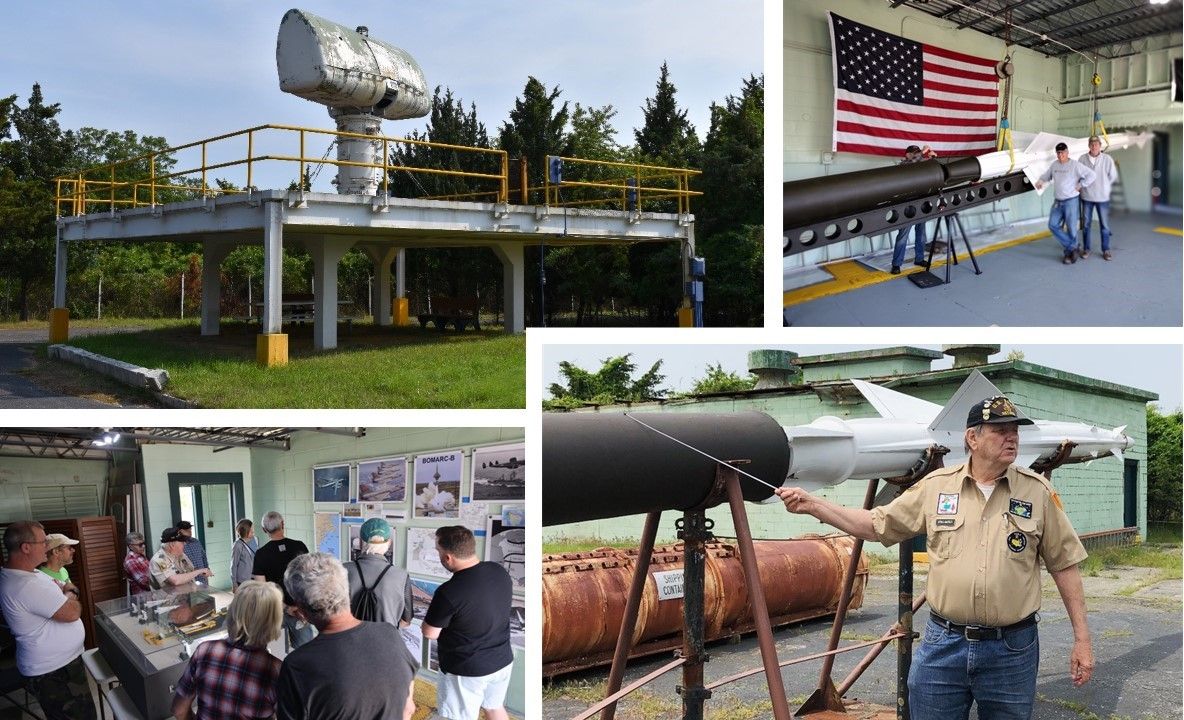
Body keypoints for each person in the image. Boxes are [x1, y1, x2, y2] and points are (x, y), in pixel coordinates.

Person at [775, 394, 1093, 720]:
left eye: (1014, 430)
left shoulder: (1036, 492)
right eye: (1000, 430)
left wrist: (1082, 640)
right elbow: (876, 525)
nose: (1011, 437)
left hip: (1010, 649)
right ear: (972, 438)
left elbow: (1064, 564)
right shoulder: (937, 487)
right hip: (944, 643)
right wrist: (814, 505)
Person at [276, 553, 418, 720]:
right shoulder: (390, 634)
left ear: (302, 611)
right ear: (345, 591)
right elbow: (408, 708)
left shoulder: (297, 665)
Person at [0, 521, 96, 720]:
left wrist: (67, 594)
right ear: (26, 547)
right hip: (54, 672)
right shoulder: (24, 584)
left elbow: (66, 588)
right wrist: (69, 597)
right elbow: (72, 611)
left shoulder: (32, 573)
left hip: (61, 664)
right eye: (43, 542)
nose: (47, 546)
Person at [421, 526, 514, 720]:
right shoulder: (499, 571)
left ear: (448, 557)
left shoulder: (449, 591)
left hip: (466, 669)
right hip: (502, 660)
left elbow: (430, 633)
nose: (439, 555)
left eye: (438, 551)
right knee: (494, 707)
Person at [171, 580, 284, 720]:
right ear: (274, 621)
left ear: (232, 612)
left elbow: (179, 711)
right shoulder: (277, 671)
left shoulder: (204, 651)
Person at [251, 511, 314, 649]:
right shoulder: (300, 546)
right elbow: (310, 579)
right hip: (300, 611)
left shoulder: (261, 554)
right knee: (305, 652)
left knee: (276, 653)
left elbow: (262, 590)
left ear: (264, 529)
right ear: (283, 524)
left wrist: (286, 608)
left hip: (275, 611)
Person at [343, 517, 413, 627]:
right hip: (386, 640)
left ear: (361, 542)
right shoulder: (402, 576)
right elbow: (406, 620)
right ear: (389, 543)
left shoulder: (342, 570)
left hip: (349, 639)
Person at [1035, 142, 1096, 264]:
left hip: (1071, 202)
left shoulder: (1075, 165)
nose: (1060, 155)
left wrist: (1081, 185)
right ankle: (1073, 246)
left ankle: (1070, 254)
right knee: (1053, 225)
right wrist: (1041, 181)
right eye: (1058, 153)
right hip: (1058, 202)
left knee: (1071, 229)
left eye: (1062, 152)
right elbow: (1047, 176)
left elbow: (1092, 175)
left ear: (1067, 152)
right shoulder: (1055, 165)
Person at [889, 144, 936, 274]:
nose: (917, 155)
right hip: (907, 206)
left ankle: (919, 259)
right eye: (914, 153)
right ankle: (896, 264)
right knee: (903, 236)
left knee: (921, 235)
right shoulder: (903, 165)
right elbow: (912, 162)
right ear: (907, 155)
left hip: (922, 203)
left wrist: (932, 159)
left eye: (918, 153)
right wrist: (923, 152)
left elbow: (933, 172)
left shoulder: (920, 163)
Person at [1078, 136, 1119, 260]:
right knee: (1086, 225)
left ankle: (1106, 250)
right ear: (1089, 145)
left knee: (1104, 225)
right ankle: (1086, 249)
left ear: (1100, 146)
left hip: (1102, 198)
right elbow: (1078, 175)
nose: (1094, 146)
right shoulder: (1082, 159)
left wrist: (1104, 186)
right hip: (1087, 197)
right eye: (1092, 144)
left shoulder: (1107, 159)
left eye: (1096, 144)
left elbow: (1113, 176)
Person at [38, 534, 81, 600]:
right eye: (69, 548)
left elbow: (74, 594)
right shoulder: (41, 577)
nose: (73, 550)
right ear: (56, 552)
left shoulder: (63, 570)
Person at [231, 518, 258, 591]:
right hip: (243, 581)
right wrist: (234, 584)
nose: (253, 530)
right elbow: (234, 565)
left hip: (255, 578)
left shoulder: (255, 539)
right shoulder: (237, 545)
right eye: (251, 529)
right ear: (245, 531)